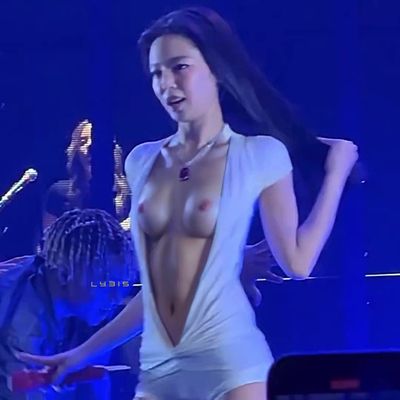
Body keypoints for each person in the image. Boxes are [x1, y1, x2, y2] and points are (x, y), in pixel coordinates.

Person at [18, 7, 358, 400]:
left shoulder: (260, 154)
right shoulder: (142, 161)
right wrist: (80, 354)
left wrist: (335, 172)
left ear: (216, 70)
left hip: (231, 368)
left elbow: (297, 264)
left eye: (179, 67)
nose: (167, 84)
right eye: (156, 73)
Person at [0, 208, 136, 399]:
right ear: (64, 274)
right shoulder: (22, 330)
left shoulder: (46, 274)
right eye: (104, 283)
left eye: (119, 283)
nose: (116, 297)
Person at [43, 120, 131, 231]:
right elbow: (49, 236)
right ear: (76, 152)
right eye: (83, 142)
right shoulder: (59, 192)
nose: (90, 146)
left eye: (96, 142)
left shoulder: (128, 192)